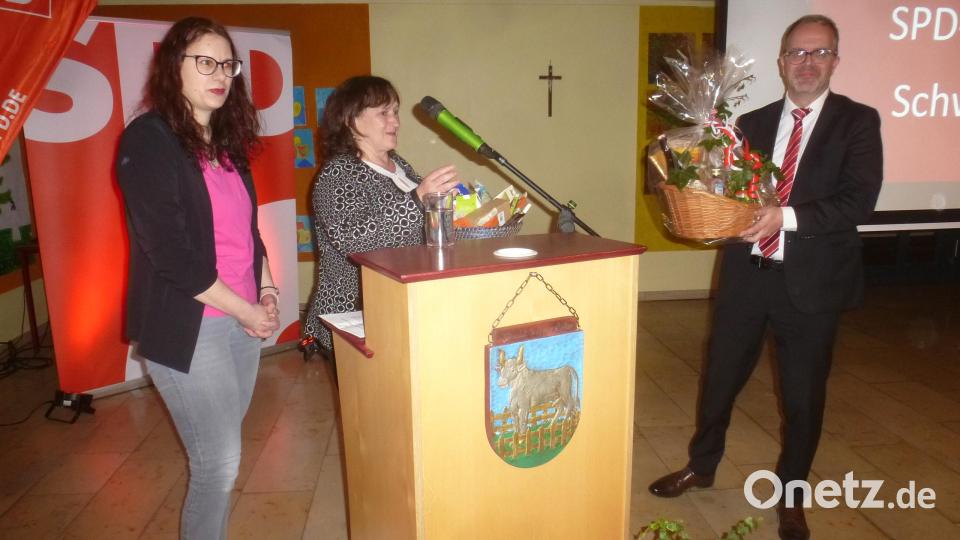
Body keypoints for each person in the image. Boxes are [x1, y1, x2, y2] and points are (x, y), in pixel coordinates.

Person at [648, 15, 883, 540]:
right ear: (781, 62)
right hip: (746, 276)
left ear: (835, 62)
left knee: (802, 398)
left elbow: (858, 201)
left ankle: (792, 496)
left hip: (812, 285)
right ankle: (701, 465)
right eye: (797, 53)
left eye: (819, 53)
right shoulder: (750, 124)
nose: (807, 63)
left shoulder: (858, 122)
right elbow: (724, 191)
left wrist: (785, 217)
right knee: (719, 380)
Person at [116, 17, 279, 539]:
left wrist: (269, 290)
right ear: (173, 66)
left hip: (242, 320)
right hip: (190, 325)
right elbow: (171, 254)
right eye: (204, 61)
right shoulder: (148, 139)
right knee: (218, 463)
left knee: (223, 453)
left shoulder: (226, 144)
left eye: (227, 64)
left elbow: (248, 234)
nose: (220, 74)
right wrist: (246, 309)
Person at [303, 75, 460, 356]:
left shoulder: (400, 165)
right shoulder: (336, 175)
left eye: (396, 112)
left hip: (402, 303)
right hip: (353, 315)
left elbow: (419, 227)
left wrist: (455, 210)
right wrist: (417, 199)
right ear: (351, 121)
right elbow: (354, 242)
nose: (396, 122)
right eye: (383, 113)